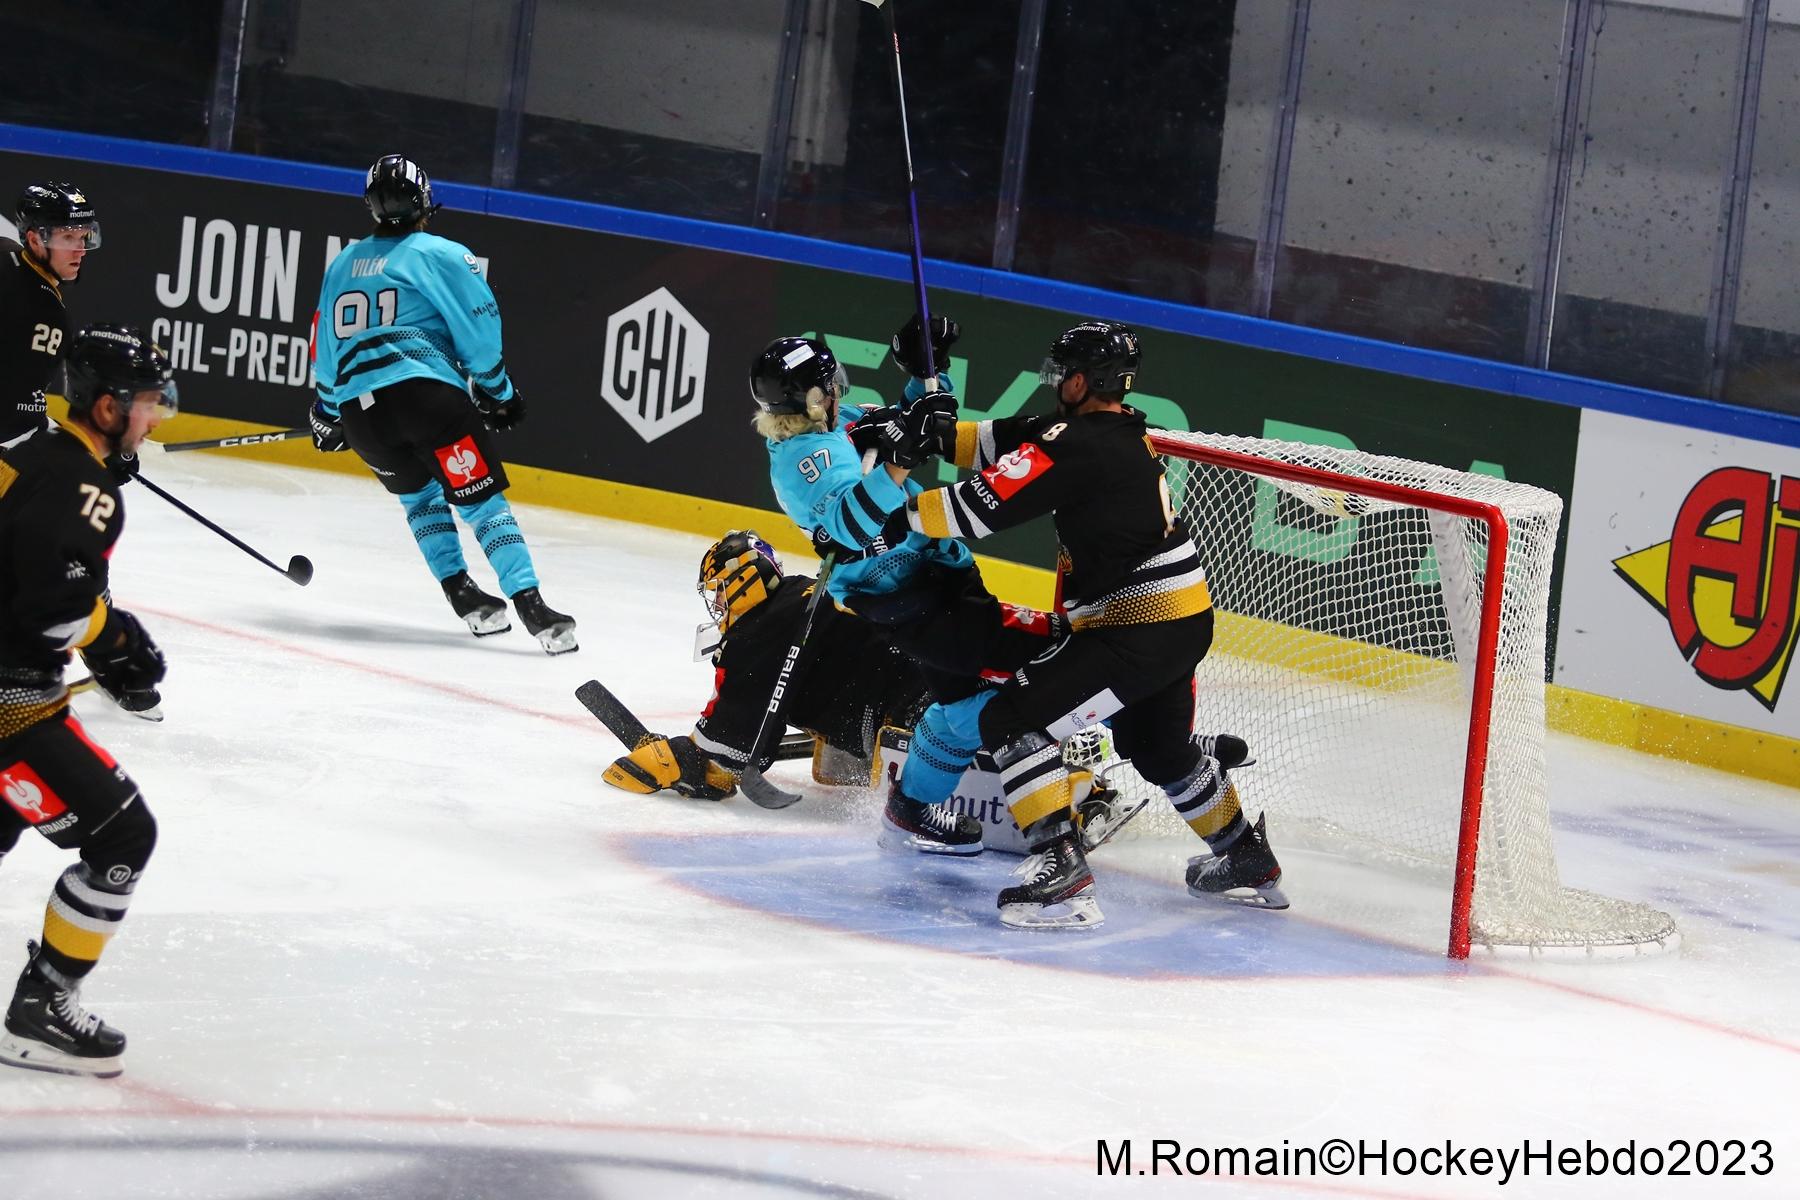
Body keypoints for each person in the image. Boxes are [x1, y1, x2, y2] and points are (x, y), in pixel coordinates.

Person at [891, 319, 1286, 929]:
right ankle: (1246, 856)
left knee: (1012, 716)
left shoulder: (1077, 446)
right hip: (1179, 620)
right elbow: (990, 441)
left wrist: (887, 514)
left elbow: (970, 509)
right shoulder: (1104, 431)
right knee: (1156, 746)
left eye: (1061, 373)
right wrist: (926, 417)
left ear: (1082, 380)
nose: (1053, 383)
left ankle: (1062, 871)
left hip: (1135, 631)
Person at [749, 328, 1063, 854]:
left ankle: (910, 810)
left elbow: (921, 422)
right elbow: (853, 522)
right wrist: (899, 460)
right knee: (1053, 657)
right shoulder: (801, 464)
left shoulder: (840, 421)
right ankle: (1144, 746)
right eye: (829, 384)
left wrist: (925, 370)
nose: (839, 389)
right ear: (810, 398)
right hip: (913, 601)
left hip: (938, 577)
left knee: (960, 706)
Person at [309, 154, 576, 654]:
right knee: (482, 504)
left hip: (362, 418)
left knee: (419, 500)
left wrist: (327, 412)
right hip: (425, 402)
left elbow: (325, 349)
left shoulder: (343, 262)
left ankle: (462, 594)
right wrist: (498, 393)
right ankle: (532, 607)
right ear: (426, 201)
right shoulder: (443, 254)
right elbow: (479, 334)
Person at [0, 324, 175, 1076]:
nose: (155, 417)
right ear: (106, 409)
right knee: (123, 835)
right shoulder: (89, 490)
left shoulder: (20, 451)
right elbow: (52, 603)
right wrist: (116, 646)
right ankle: (43, 1006)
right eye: (144, 404)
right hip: (12, 706)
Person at [603, 530, 932, 800]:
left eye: (718, 590)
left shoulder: (760, 630)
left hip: (920, 713)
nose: (717, 603)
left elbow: (735, 739)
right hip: (937, 687)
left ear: (742, 580)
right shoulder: (796, 596)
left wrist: (685, 756)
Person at [3, 182, 100, 447]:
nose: (80, 249)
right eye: (67, 238)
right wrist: (89, 446)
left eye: (82, 237)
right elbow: (14, 421)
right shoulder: (46, 316)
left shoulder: (4, 250)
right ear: (34, 240)